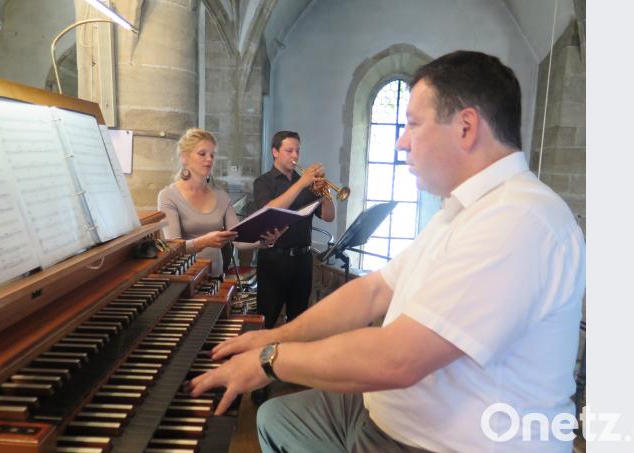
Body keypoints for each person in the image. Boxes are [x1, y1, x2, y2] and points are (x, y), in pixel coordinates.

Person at [188, 51, 586, 452]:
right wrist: (273, 336)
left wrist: (270, 359)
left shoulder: (518, 219)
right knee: (278, 418)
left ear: (466, 127)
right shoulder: (461, 211)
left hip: (442, 442)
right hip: (386, 409)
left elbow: (398, 358)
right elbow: (374, 290)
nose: (400, 141)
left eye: (413, 124)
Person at [158, 128, 283, 277]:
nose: (209, 159)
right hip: (185, 280)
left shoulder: (221, 196)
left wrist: (265, 242)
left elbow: (238, 240)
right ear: (184, 157)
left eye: (212, 155)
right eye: (202, 154)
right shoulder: (168, 195)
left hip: (215, 278)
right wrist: (203, 242)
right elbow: (174, 248)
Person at [253, 131, 336, 330]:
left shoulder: (305, 183)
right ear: (275, 152)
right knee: (267, 320)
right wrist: (301, 183)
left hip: (302, 260)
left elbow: (328, 217)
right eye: (289, 150)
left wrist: (326, 193)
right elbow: (270, 210)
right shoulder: (263, 182)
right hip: (273, 259)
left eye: (297, 150)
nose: (295, 156)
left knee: (298, 323)